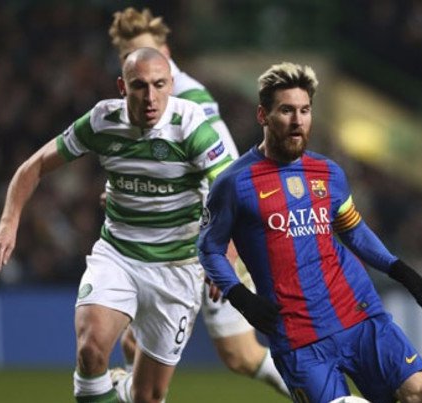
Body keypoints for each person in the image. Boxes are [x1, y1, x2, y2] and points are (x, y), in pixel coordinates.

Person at [0, 47, 233, 403]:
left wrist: (223, 251)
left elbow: (229, 190)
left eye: (159, 85)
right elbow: (35, 164)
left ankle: (122, 388)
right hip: (118, 256)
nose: (150, 97)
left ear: (170, 85)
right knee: (90, 351)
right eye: (139, 86)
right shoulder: (102, 120)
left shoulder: (190, 124)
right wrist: (8, 222)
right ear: (122, 87)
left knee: (148, 397)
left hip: (176, 268)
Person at [198, 61, 422, 402]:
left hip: (359, 314)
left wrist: (396, 268)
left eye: (304, 110)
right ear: (263, 115)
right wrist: (241, 297)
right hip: (298, 337)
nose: (297, 120)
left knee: (420, 392)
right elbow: (209, 248)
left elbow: (353, 230)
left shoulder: (329, 172)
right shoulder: (233, 183)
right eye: (286, 110)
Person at [108, 7, 289, 397]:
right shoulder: (144, 100)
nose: (137, 61)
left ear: (165, 52)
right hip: (185, 236)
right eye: (127, 56)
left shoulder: (189, 100)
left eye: (144, 52)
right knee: (240, 355)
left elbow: (226, 172)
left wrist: (225, 244)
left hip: (207, 236)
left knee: (138, 344)